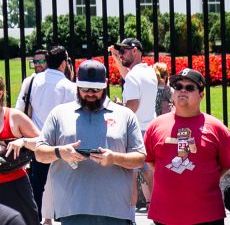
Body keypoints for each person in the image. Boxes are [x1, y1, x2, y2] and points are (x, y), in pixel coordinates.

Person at [34, 60, 146, 225]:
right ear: (77, 86)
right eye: (85, 89)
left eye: (96, 89)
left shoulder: (125, 115)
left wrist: (114, 158)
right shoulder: (59, 113)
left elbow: (140, 157)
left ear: (105, 85)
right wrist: (60, 152)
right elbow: (39, 153)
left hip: (116, 210)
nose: (90, 94)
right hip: (73, 209)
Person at [144, 68, 230, 225]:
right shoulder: (156, 125)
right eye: (178, 86)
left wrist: (202, 178)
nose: (182, 91)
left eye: (189, 87)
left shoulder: (217, 129)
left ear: (201, 95)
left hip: (207, 216)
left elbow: (226, 165)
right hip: (165, 214)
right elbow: (150, 160)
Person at [24, 45, 76, 221]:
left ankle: (39, 218)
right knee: (63, 185)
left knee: (39, 186)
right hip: (62, 144)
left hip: (38, 140)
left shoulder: (31, 81)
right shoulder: (69, 87)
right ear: (63, 64)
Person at [109, 37, 158, 211]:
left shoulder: (132, 78)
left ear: (135, 50)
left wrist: (116, 108)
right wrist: (116, 57)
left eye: (124, 51)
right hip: (150, 129)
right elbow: (128, 76)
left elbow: (132, 107)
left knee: (131, 175)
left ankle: (129, 216)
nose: (121, 54)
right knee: (148, 174)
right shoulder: (149, 72)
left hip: (134, 131)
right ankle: (154, 214)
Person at [0, 77, 40, 225]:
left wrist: (23, 141)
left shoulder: (13, 116)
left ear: (0, 93)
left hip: (15, 185)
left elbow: (43, 142)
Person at [14, 49, 47, 117]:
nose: (37, 64)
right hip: (32, 125)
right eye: (35, 62)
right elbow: (19, 108)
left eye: (41, 61)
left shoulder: (54, 81)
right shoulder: (28, 81)